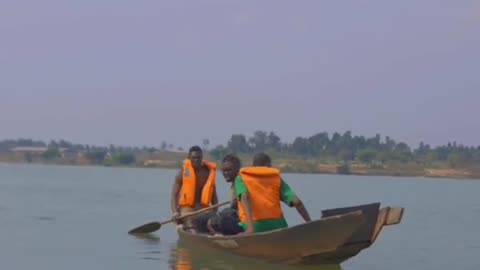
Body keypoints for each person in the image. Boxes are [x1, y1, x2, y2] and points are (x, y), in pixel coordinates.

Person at [235, 152, 311, 235]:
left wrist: (250, 228)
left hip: (254, 227)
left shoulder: (241, 178)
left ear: (253, 165)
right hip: (277, 226)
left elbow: (245, 197)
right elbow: (297, 202)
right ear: (268, 164)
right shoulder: (276, 178)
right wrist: (309, 223)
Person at [170, 145, 218, 232]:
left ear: (202, 158)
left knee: (214, 224)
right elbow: (174, 195)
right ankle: (193, 234)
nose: (196, 160)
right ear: (189, 158)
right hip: (187, 208)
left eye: (199, 158)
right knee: (190, 222)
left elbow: (214, 196)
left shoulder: (207, 173)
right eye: (194, 158)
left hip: (204, 207)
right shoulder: (182, 173)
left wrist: (215, 212)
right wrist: (175, 212)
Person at [206, 154, 244, 235]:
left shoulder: (240, 182)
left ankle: (222, 239)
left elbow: (235, 207)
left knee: (210, 222)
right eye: (223, 170)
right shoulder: (236, 182)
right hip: (239, 218)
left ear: (237, 169)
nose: (225, 173)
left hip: (243, 221)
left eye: (228, 170)